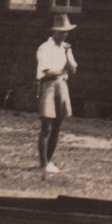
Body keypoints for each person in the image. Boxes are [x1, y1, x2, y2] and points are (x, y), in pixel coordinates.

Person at [34, 14, 78, 175]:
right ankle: (43, 163)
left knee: (57, 127)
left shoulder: (66, 48)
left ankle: (49, 160)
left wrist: (67, 56)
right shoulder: (45, 48)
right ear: (54, 32)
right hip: (49, 87)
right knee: (46, 126)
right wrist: (61, 71)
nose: (64, 35)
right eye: (61, 32)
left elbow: (73, 69)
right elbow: (47, 72)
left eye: (66, 32)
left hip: (62, 86)